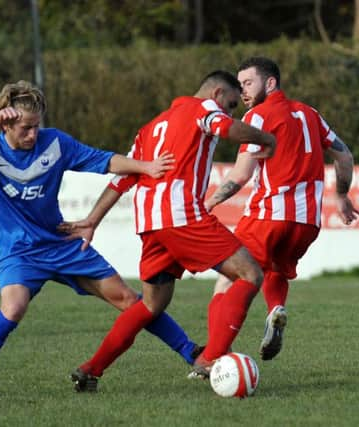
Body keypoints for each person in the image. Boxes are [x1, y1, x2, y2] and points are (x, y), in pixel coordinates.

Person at [0, 80, 201, 396]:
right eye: (25, 128)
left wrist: (146, 167)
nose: (32, 134)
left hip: (62, 243)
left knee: (126, 298)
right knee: (13, 308)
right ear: (6, 123)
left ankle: (191, 352)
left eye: (36, 126)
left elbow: (103, 160)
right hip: (18, 251)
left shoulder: (54, 143)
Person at [64, 70, 276, 391]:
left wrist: (93, 219)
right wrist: (265, 138)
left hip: (150, 224)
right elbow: (228, 128)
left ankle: (91, 369)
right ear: (217, 94)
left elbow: (123, 179)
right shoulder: (204, 110)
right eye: (231, 104)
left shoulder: (150, 127)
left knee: (151, 305)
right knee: (249, 274)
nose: (230, 111)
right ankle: (210, 358)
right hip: (181, 215)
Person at [204, 57, 359, 361]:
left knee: (228, 279)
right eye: (240, 85)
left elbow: (240, 175)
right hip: (306, 224)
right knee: (276, 270)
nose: (243, 91)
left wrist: (208, 203)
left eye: (248, 83)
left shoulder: (257, 117)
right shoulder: (310, 114)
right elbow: (345, 157)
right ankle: (276, 308)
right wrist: (341, 196)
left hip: (268, 217)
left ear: (271, 83)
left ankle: (211, 357)